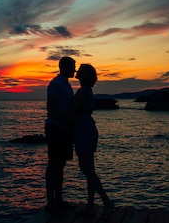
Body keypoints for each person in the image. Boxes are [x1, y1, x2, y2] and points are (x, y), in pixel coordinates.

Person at [70, 63, 115, 217]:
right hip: (87, 129)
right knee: (90, 169)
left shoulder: (83, 91)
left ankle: (106, 201)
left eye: (80, 71)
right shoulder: (88, 91)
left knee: (86, 169)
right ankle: (90, 205)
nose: (77, 72)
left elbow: (72, 110)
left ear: (84, 75)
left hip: (83, 130)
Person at [45, 56, 76, 215]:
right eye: (72, 67)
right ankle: (51, 202)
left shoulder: (66, 85)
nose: (74, 70)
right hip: (56, 127)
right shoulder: (56, 84)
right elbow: (50, 107)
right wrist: (67, 118)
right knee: (54, 164)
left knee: (60, 165)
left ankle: (58, 200)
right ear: (63, 67)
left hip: (63, 129)